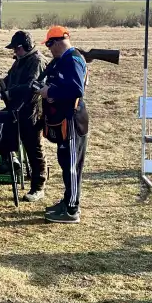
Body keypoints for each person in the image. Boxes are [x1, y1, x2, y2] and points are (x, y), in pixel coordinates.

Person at [37, 26, 90, 223]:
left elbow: (77, 90)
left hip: (72, 119)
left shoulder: (72, 60)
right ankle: (68, 200)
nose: (49, 49)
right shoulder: (65, 59)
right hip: (65, 118)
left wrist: (50, 92)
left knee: (72, 166)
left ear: (57, 42)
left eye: (49, 45)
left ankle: (72, 209)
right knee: (66, 162)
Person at [2, 30, 48, 202]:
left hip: (32, 112)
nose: (14, 51)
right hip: (17, 110)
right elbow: (10, 79)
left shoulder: (37, 61)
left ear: (24, 47)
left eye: (16, 48)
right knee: (1, 134)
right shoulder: (21, 60)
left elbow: (31, 86)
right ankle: (11, 161)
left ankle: (38, 187)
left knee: (34, 149)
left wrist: (9, 91)